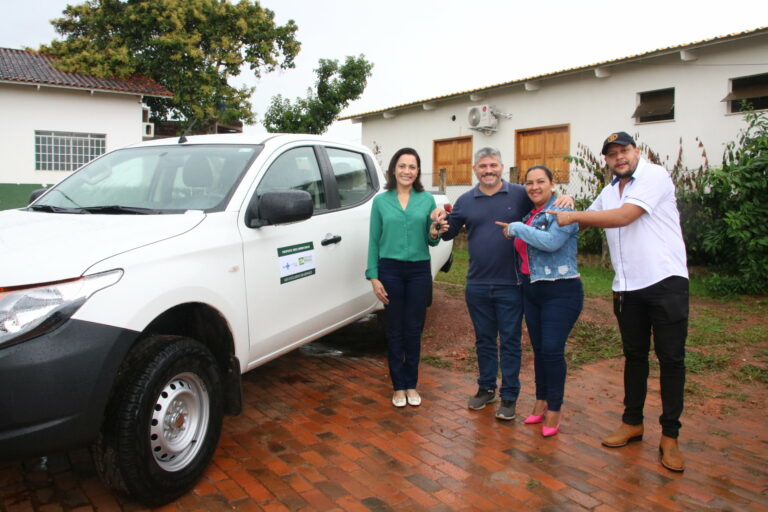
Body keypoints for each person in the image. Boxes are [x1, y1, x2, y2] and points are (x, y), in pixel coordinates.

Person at [548, 132, 689, 472]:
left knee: (670, 360)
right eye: (612, 155)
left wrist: (575, 216)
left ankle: (670, 436)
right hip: (627, 287)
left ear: (636, 151)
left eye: (623, 151)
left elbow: (624, 217)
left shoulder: (654, 175)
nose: (619, 158)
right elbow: (581, 221)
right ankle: (632, 423)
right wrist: (556, 206)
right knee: (634, 357)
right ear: (607, 161)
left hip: (665, 282)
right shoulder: (610, 191)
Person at [431, 147, 572, 421]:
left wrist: (565, 196)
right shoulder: (465, 200)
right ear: (475, 170)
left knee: (510, 342)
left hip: (512, 283)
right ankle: (486, 388)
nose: (488, 171)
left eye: (493, 165)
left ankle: (509, 396)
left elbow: (545, 203)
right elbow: (448, 232)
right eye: (482, 166)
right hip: (477, 284)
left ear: (501, 167)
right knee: (484, 340)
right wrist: (437, 219)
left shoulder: (520, 194)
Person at [495, 165, 583, 437]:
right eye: (529, 183)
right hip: (531, 291)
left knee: (552, 349)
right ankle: (541, 401)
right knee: (540, 350)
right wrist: (515, 229)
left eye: (540, 181)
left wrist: (517, 229)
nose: (534, 187)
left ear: (552, 183)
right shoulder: (530, 215)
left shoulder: (563, 209)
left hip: (561, 290)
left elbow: (552, 242)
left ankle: (554, 409)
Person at [366, 147, 446, 408]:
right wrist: (374, 276)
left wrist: (434, 231)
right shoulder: (380, 201)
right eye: (402, 166)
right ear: (393, 169)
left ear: (418, 171)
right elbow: (374, 241)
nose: (407, 171)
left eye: (412, 167)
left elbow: (430, 240)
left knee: (413, 329)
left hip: (418, 271)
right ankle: (398, 386)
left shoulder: (426, 200)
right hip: (389, 270)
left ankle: (411, 383)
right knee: (394, 329)